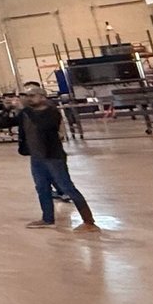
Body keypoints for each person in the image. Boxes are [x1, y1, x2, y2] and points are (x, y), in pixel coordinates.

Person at [16, 86, 97, 230]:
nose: (29, 98)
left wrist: (25, 110)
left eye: (32, 95)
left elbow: (44, 126)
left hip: (53, 156)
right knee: (42, 187)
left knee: (67, 187)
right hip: (36, 157)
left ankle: (88, 221)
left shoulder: (51, 112)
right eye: (27, 96)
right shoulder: (26, 113)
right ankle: (47, 218)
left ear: (42, 97)